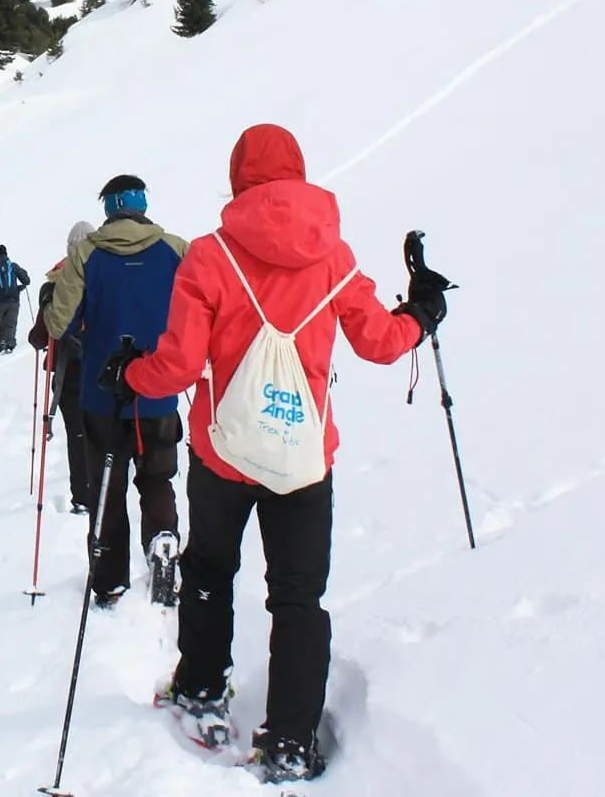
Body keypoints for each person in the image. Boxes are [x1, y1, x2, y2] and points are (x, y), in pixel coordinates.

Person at [101, 124, 447, 784]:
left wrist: (128, 375)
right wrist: (423, 313)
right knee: (298, 598)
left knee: (209, 569)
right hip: (303, 459)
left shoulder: (210, 256)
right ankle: (290, 740)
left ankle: (201, 690)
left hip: (224, 452)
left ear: (239, 179)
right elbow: (379, 342)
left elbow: (175, 368)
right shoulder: (334, 257)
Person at [43, 176, 188, 608]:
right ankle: (163, 539)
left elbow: (57, 325)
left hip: (102, 398)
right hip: (158, 392)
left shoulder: (85, 255)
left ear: (108, 207)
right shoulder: (177, 250)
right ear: (142, 204)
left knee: (106, 486)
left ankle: (108, 580)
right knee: (157, 479)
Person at [28, 221, 95, 513]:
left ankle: (82, 496)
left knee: (77, 437)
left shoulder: (54, 284)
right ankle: (106, 494)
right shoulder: (106, 277)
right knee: (103, 435)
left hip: (69, 376)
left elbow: (39, 337)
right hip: (104, 372)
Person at [0, 244, 30, 354]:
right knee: (11, 323)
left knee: (1, 323)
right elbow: (26, 280)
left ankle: (2, 343)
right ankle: (10, 343)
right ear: (6, 254)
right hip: (13, 300)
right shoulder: (13, 266)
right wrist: (19, 288)